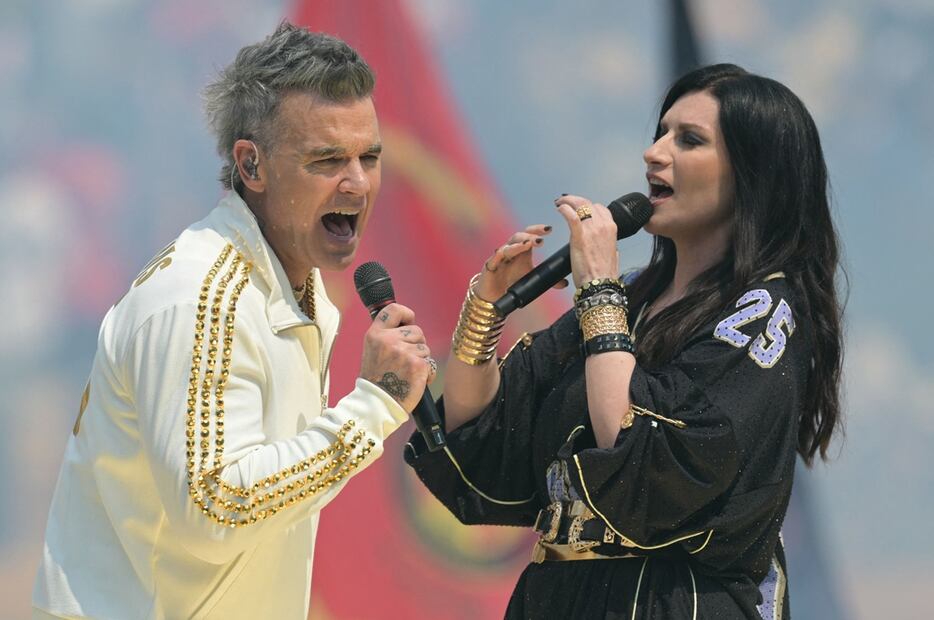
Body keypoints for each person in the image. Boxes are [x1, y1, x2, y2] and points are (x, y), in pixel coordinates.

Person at [406, 63, 844, 619]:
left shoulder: (763, 310)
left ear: (751, 174)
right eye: (660, 132)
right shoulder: (629, 296)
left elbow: (640, 450)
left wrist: (596, 290)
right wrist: (487, 306)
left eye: (688, 140)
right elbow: (487, 427)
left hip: (670, 602)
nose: (654, 153)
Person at [33, 22, 435, 620]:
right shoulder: (201, 296)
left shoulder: (295, 286)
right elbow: (217, 510)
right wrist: (372, 407)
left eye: (368, 156)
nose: (357, 182)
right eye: (328, 159)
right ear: (252, 165)